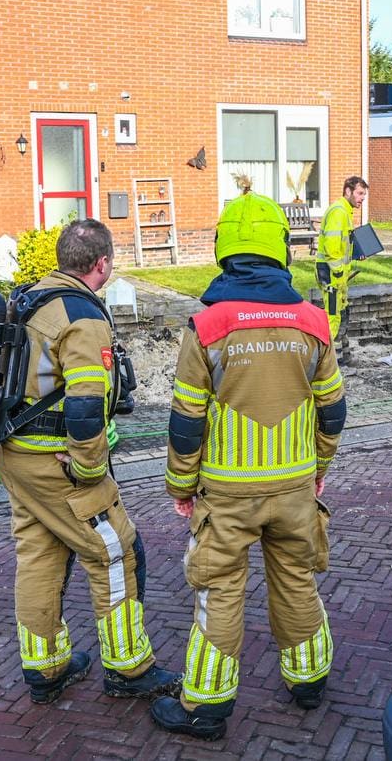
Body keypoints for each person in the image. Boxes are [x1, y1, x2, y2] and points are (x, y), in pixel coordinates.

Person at [151, 192, 346, 741]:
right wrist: (318, 468)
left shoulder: (207, 325)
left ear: (223, 249)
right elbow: (333, 408)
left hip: (228, 495)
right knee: (296, 580)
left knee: (219, 590)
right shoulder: (313, 320)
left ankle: (206, 707)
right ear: (280, 249)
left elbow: (186, 420)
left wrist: (180, 484)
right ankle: (308, 681)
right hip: (293, 490)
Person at [0, 219, 179, 705]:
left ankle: (46, 667)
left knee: (38, 554)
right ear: (102, 264)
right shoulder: (82, 315)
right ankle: (129, 668)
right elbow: (84, 401)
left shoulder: (29, 299)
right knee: (116, 550)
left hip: (14, 455)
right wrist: (89, 468)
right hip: (58, 461)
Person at [316, 176, 369, 364]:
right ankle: (330, 362)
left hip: (337, 275)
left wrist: (356, 252)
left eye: (364, 194)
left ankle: (343, 357)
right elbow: (331, 248)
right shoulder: (339, 212)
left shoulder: (344, 211)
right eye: (360, 193)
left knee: (342, 313)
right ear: (348, 191)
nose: (362, 198)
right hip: (331, 274)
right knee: (333, 317)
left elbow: (341, 246)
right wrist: (338, 272)